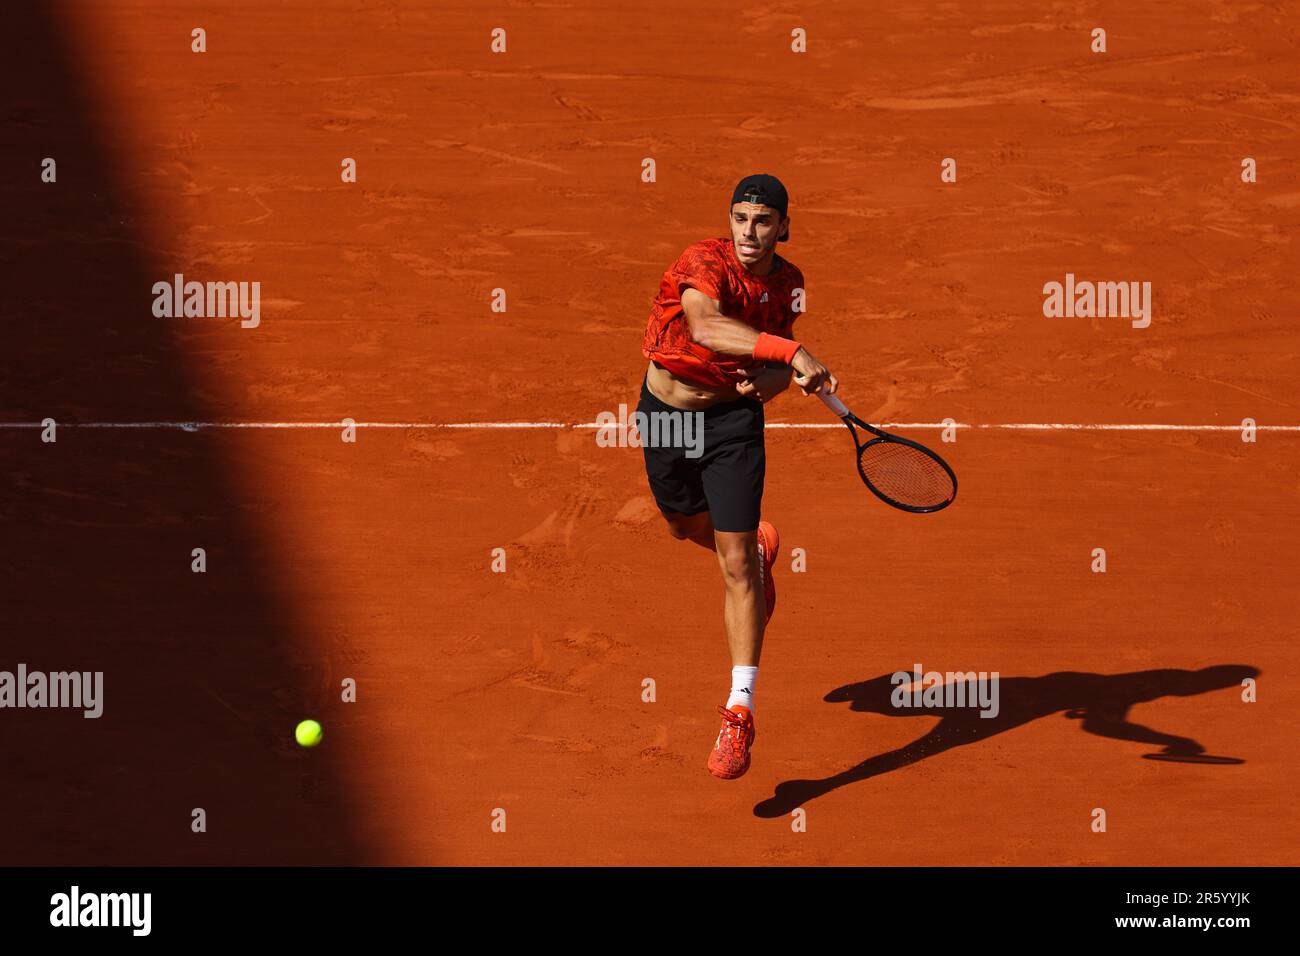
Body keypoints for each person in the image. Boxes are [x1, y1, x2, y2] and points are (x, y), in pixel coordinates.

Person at [638, 173, 839, 779]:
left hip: (732, 427)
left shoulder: (789, 284)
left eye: (763, 221)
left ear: (783, 227)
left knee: (735, 566)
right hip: (667, 416)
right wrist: (791, 357)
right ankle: (758, 550)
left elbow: (779, 352)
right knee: (679, 525)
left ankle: (739, 709)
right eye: (741, 219)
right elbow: (704, 327)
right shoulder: (704, 261)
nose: (750, 232)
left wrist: (780, 379)